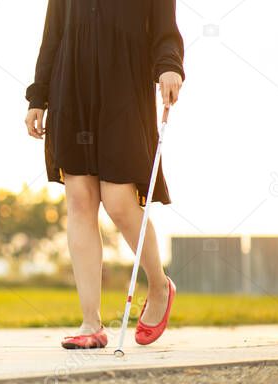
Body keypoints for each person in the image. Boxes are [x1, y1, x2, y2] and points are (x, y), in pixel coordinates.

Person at [23, 0, 185, 349]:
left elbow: (165, 30)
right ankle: (90, 323)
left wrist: (170, 66)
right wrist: (38, 96)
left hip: (123, 87)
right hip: (71, 87)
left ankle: (158, 286)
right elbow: (52, 34)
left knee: (118, 202)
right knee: (79, 200)